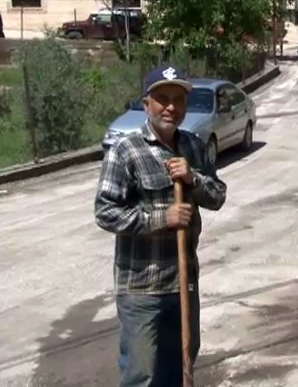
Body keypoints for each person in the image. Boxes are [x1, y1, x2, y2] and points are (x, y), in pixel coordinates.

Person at [94, 65, 227, 386]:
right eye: (162, 99)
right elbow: (105, 212)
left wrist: (192, 178)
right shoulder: (126, 151)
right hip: (142, 288)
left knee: (182, 364)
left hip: (183, 282)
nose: (171, 107)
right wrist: (161, 219)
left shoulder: (193, 147)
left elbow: (217, 195)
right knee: (144, 374)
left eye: (178, 100)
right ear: (146, 104)